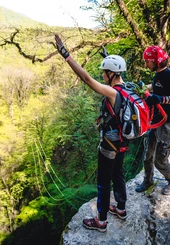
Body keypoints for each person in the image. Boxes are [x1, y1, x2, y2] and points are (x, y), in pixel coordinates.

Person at [54, 34, 129, 232]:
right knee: (118, 174)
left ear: (111, 74)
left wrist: (66, 55)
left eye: (104, 72)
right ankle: (121, 208)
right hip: (123, 142)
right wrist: (107, 56)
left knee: (103, 182)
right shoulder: (127, 89)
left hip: (109, 145)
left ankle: (101, 221)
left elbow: (86, 78)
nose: (102, 76)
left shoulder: (112, 93)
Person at [135, 46, 170, 195]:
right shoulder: (157, 74)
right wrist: (145, 88)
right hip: (154, 122)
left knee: (160, 159)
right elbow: (157, 87)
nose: (146, 65)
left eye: (147, 62)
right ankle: (148, 180)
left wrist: (161, 99)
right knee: (148, 156)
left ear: (157, 61)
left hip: (167, 124)